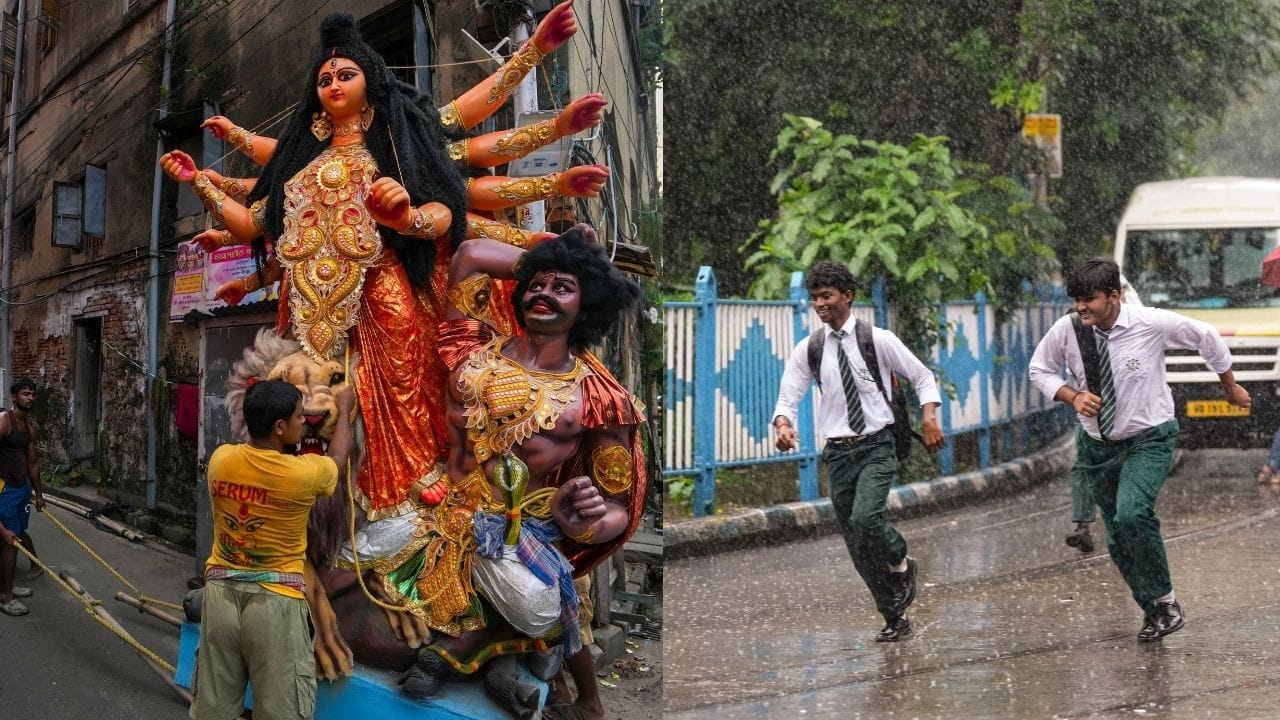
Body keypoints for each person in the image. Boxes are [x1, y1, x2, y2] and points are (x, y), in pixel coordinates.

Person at [160, 4, 605, 522]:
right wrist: (199, 182)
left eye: (345, 75)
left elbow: (446, 208)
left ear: (369, 82)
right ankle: (320, 494)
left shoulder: (399, 145)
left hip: (383, 289)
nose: (334, 84)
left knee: (399, 382)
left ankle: (410, 484)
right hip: (305, 307)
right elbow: (252, 224)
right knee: (307, 394)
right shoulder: (298, 165)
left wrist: (405, 217)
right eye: (325, 79)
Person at [396, 226, 644, 720]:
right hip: (437, 508)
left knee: (539, 606)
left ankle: (487, 654)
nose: (543, 294)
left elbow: (617, 509)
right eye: (536, 284)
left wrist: (584, 522)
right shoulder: (469, 347)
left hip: (510, 532)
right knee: (345, 556)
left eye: (563, 289)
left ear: (587, 305)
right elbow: (470, 253)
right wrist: (559, 257)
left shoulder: (597, 399)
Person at [1029, 257, 1250, 641]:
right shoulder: (1068, 329)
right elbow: (1039, 369)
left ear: (1114, 296)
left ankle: (1166, 602)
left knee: (1132, 514)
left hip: (1149, 438)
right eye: (1076, 300)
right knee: (1117, 536)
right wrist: (1072, 395)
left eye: (1089, 299)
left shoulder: (1150, 323)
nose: (1081, 307)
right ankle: (1154, 611)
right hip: (1099, 446)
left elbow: (1206, 336)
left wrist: (1228, 385)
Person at [771, 260, 945, 643]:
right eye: (815, 298)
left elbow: (921, 376)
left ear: (847, 296)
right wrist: (783, 425)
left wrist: (930, 417)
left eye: (827, 296)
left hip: (877, 444)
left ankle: (901, 559)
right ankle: (894, 617)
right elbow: (788, 396)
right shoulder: (811, 348)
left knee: (866, 519)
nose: (820, 304)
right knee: (857, 545)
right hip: (838, 454)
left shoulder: (877, 339)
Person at [189, 379, 355, 720]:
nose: (304, 422)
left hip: (220, 596)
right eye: (298, 417)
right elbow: (338, 459)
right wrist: (345, 409)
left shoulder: (221, 459)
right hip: (275, 603)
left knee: (213, 709)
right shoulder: (301, 475)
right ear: (280, 427)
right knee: (282, 710)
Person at [0, 378, 44, 617]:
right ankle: (6, 597)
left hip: (21, 489)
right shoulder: (4, 421)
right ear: (14, 396)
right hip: (4, 489)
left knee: (16, 535)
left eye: (33, 394)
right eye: (26, 394)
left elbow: (32, 463)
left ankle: (7, 586)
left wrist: (39, 494)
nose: (30, 398)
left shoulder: (29, 428)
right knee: (10, 540)